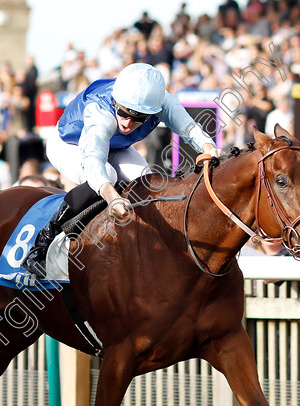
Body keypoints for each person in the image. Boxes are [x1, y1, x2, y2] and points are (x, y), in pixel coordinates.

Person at [22, 63, 225, 278]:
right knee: (107, 176)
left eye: (138, 118)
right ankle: (43, 243)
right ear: (115, 102)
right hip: (68, 145)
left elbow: (189, 128)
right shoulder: (100, 112)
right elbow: (94, 162)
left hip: (114, 147)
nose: (128, 123)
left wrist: (209, 148)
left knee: (147, 181)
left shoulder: (163, 102)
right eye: (124, 113)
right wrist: (112, 197)